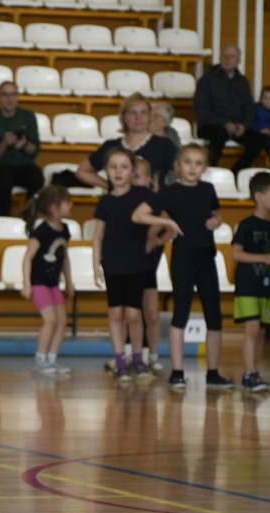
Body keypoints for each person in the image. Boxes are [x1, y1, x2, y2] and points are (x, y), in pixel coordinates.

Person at [132, 143, 233, 391]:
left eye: (198, 163)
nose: (192, 167)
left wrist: (216, 221)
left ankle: (213, 372)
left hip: (207, 258)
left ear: (204, 168)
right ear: (178, 166)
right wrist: (167, 222)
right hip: (183, 258)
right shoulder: (169, 192)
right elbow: (139, 215)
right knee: (181, 314)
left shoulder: (208, 189)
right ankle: (177, 372)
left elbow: (215, 215)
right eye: (188, 162)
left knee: (214, 316)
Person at [92, 148, 153, 381]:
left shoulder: (142, 196)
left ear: (132, 171)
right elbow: (98, 236)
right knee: (116, 312)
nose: (118, 172)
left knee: (134, 314)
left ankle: (138, 358)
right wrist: (95, 265)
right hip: (112, 264)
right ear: (106, 171)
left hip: (137, 263)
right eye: (113, 167)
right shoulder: (105, 202)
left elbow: (163, 215)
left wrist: (156, 237)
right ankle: (120, 360)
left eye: (124, 167)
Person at [232, 172, 270, 392]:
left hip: (269, 285)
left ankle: (254, 372)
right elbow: (236, 254)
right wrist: (264, 258)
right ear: (259, 196)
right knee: (252, 329)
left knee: (262, 332)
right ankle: (250, 373)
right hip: (248, 286)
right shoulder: (246, 225)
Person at [21, 185, 74, 374]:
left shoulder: (64, 229)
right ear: (54, 207)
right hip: (39, 283)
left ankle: (52, 360)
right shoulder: (41, 231)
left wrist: (69, 282)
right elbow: (27, 258)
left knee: (62, 321)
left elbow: (64, 257)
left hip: (53, 284)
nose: (71, 204)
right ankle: (39, 361)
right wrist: (27, 284)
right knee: (50, 320)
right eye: (67, 202)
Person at [76, 93, 178, 190]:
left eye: (143, 112)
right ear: (124, 117)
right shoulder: (111, 146)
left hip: (153, 201)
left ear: (150, 117)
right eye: (133, 112)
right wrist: (110, 187)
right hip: (118, 202)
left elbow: (183, 173)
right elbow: (82, 171)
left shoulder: (165, 145)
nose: (138, 117)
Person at [193, 44, 265, 173]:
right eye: (225, 56)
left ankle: (236, 173)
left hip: (236, 127)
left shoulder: (243, 82)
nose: (227, 59)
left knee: (259, 140)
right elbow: (200, 108)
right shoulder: (207, 79)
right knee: (218, 136)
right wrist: (224, 124)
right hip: (211, 125)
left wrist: (243, 125)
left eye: (232, 56)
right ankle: (209, 173)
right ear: (220, 58)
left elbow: (249, 108)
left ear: (238, 60)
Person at [0, 81, 43, 217]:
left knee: (37, 178)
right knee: (4, 182)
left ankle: (29, 219)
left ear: (18, 97)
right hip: (1, 167)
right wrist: (5, 142)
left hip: (25, 166)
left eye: (13, 94)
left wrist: (24, 144)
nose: (10, 99)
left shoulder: (29, 117)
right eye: (5, 95)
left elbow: (35, 150)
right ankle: (2, 220)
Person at [132, 157, 164, 372]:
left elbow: (169, 225)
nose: (135, 181)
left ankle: (153, 356)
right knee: (131, 313)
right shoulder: (123, 201)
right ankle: (130, 354)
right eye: (132, 177)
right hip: (128, 265)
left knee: (151, 314)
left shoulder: (156, 201)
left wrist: (156, 237)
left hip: (148, 265)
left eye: (138, 177)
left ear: (148, 179)